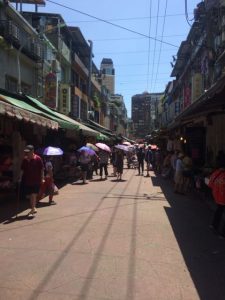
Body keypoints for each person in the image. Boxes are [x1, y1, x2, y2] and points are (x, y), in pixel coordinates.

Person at [19, 145, 44, 219]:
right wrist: (20, 177)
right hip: (28, 180)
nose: (27, 154)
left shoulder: (38, 158)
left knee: (33, 194)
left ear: (32, 151)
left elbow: (42, 169)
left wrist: (42, 178)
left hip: (36, 180)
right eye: (26, 152)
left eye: (28, 152)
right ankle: (33, 207)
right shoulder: (25, 159)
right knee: (30, 195)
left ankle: (32, 210)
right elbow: (22, 170)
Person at [208, 156, 225, 237]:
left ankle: (214, 225)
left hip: (217, 197)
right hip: (223, 198)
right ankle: (223, 233)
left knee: (219, 211)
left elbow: (210, 184)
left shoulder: (216, 173)